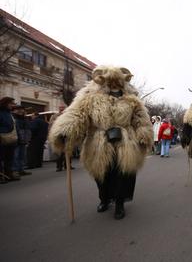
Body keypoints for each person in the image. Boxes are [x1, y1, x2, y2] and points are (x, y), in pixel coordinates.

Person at [48, 66, 153, 220]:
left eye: (117, 81)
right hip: (98, 142)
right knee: (101, 174)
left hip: (126, 142)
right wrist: (66, 131)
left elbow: (141, 119)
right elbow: (77, 114)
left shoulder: (132, 99)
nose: (114, 84)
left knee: (122, 174)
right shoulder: (89, 96)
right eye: (110, 81)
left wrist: (144, 135)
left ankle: (119, 203)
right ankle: (104, 199)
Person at [0, 97, 20, 183]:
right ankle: (1, 176)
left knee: (9, 158)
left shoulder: (10, 114)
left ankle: (9, 174)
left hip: (11, 139)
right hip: (2, 138)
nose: (13, 105)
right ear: (5, 103)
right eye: (11, 103)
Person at [49, 105, 74, 172]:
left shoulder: (68, 115)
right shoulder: (54, 116)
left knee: (68, 151)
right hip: (59, 135)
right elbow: (50, 124)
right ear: (59, 108)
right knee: (59, 152)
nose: (62, 109)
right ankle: (59, 166)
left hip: (67, 135)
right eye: (60, 107)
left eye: (63, 107)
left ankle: (68, 165)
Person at [12, 105, 32, 176]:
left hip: (23, 140)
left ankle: (21, 169)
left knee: (22, 156)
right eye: (18, 109)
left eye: (22, 109)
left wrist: (28, 139)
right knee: (15, 156)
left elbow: (28, 129)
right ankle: (15, 171)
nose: (21, 111)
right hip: (15, 140)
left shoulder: (24, 118)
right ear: (14, 110)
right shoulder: (13, 118)